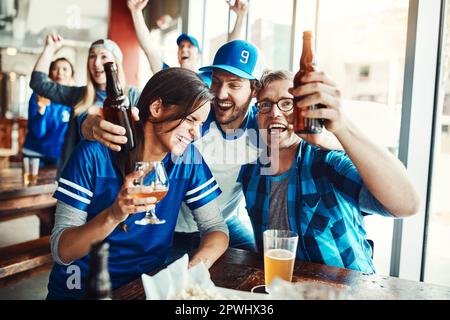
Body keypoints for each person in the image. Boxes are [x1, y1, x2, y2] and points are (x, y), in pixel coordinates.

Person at [47, 68, 229, 300]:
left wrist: (192, 270)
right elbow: (62, 250)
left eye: (201, 123)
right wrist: (114, 214)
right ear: (156, 108)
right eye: (191, 120)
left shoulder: (188, 159)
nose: (196, 132)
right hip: (82, 289)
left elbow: (216, 228)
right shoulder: (94, 154)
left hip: (144, 290)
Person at [238, 70, 420, 274]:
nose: (275, 112)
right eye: (265, 104)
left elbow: (407, 205)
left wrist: (341, 129)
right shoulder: (251, 173)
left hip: (348, 292)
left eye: (287, 103)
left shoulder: (328, 162)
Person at [29, 34, 141, 175]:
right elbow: (38, 83)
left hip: (118, 176)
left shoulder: (132, 95)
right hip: (82, 175)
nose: (96, 62)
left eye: (104, 56)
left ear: (115, 63)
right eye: (92, 56)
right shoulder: (79, 95)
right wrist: (49, 48)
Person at [127, 0, 249, 86]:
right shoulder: (168, 75)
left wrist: (240, 16)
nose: (184, 49)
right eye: (181, 47)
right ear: (178, 56)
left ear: (199, 55)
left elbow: (229, 50)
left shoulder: (210, 76)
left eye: (189, 46)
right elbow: (149, 48)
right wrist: (136, 12)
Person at [23, 57, 74, 166]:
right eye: (55, 68)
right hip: (35, 153)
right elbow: (37, 133)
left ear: (72, 76)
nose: (60, 72)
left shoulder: (73, 100)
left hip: (59, 156)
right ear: (50, 73)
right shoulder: (38, 95)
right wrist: (41, 111)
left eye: (65, 69)